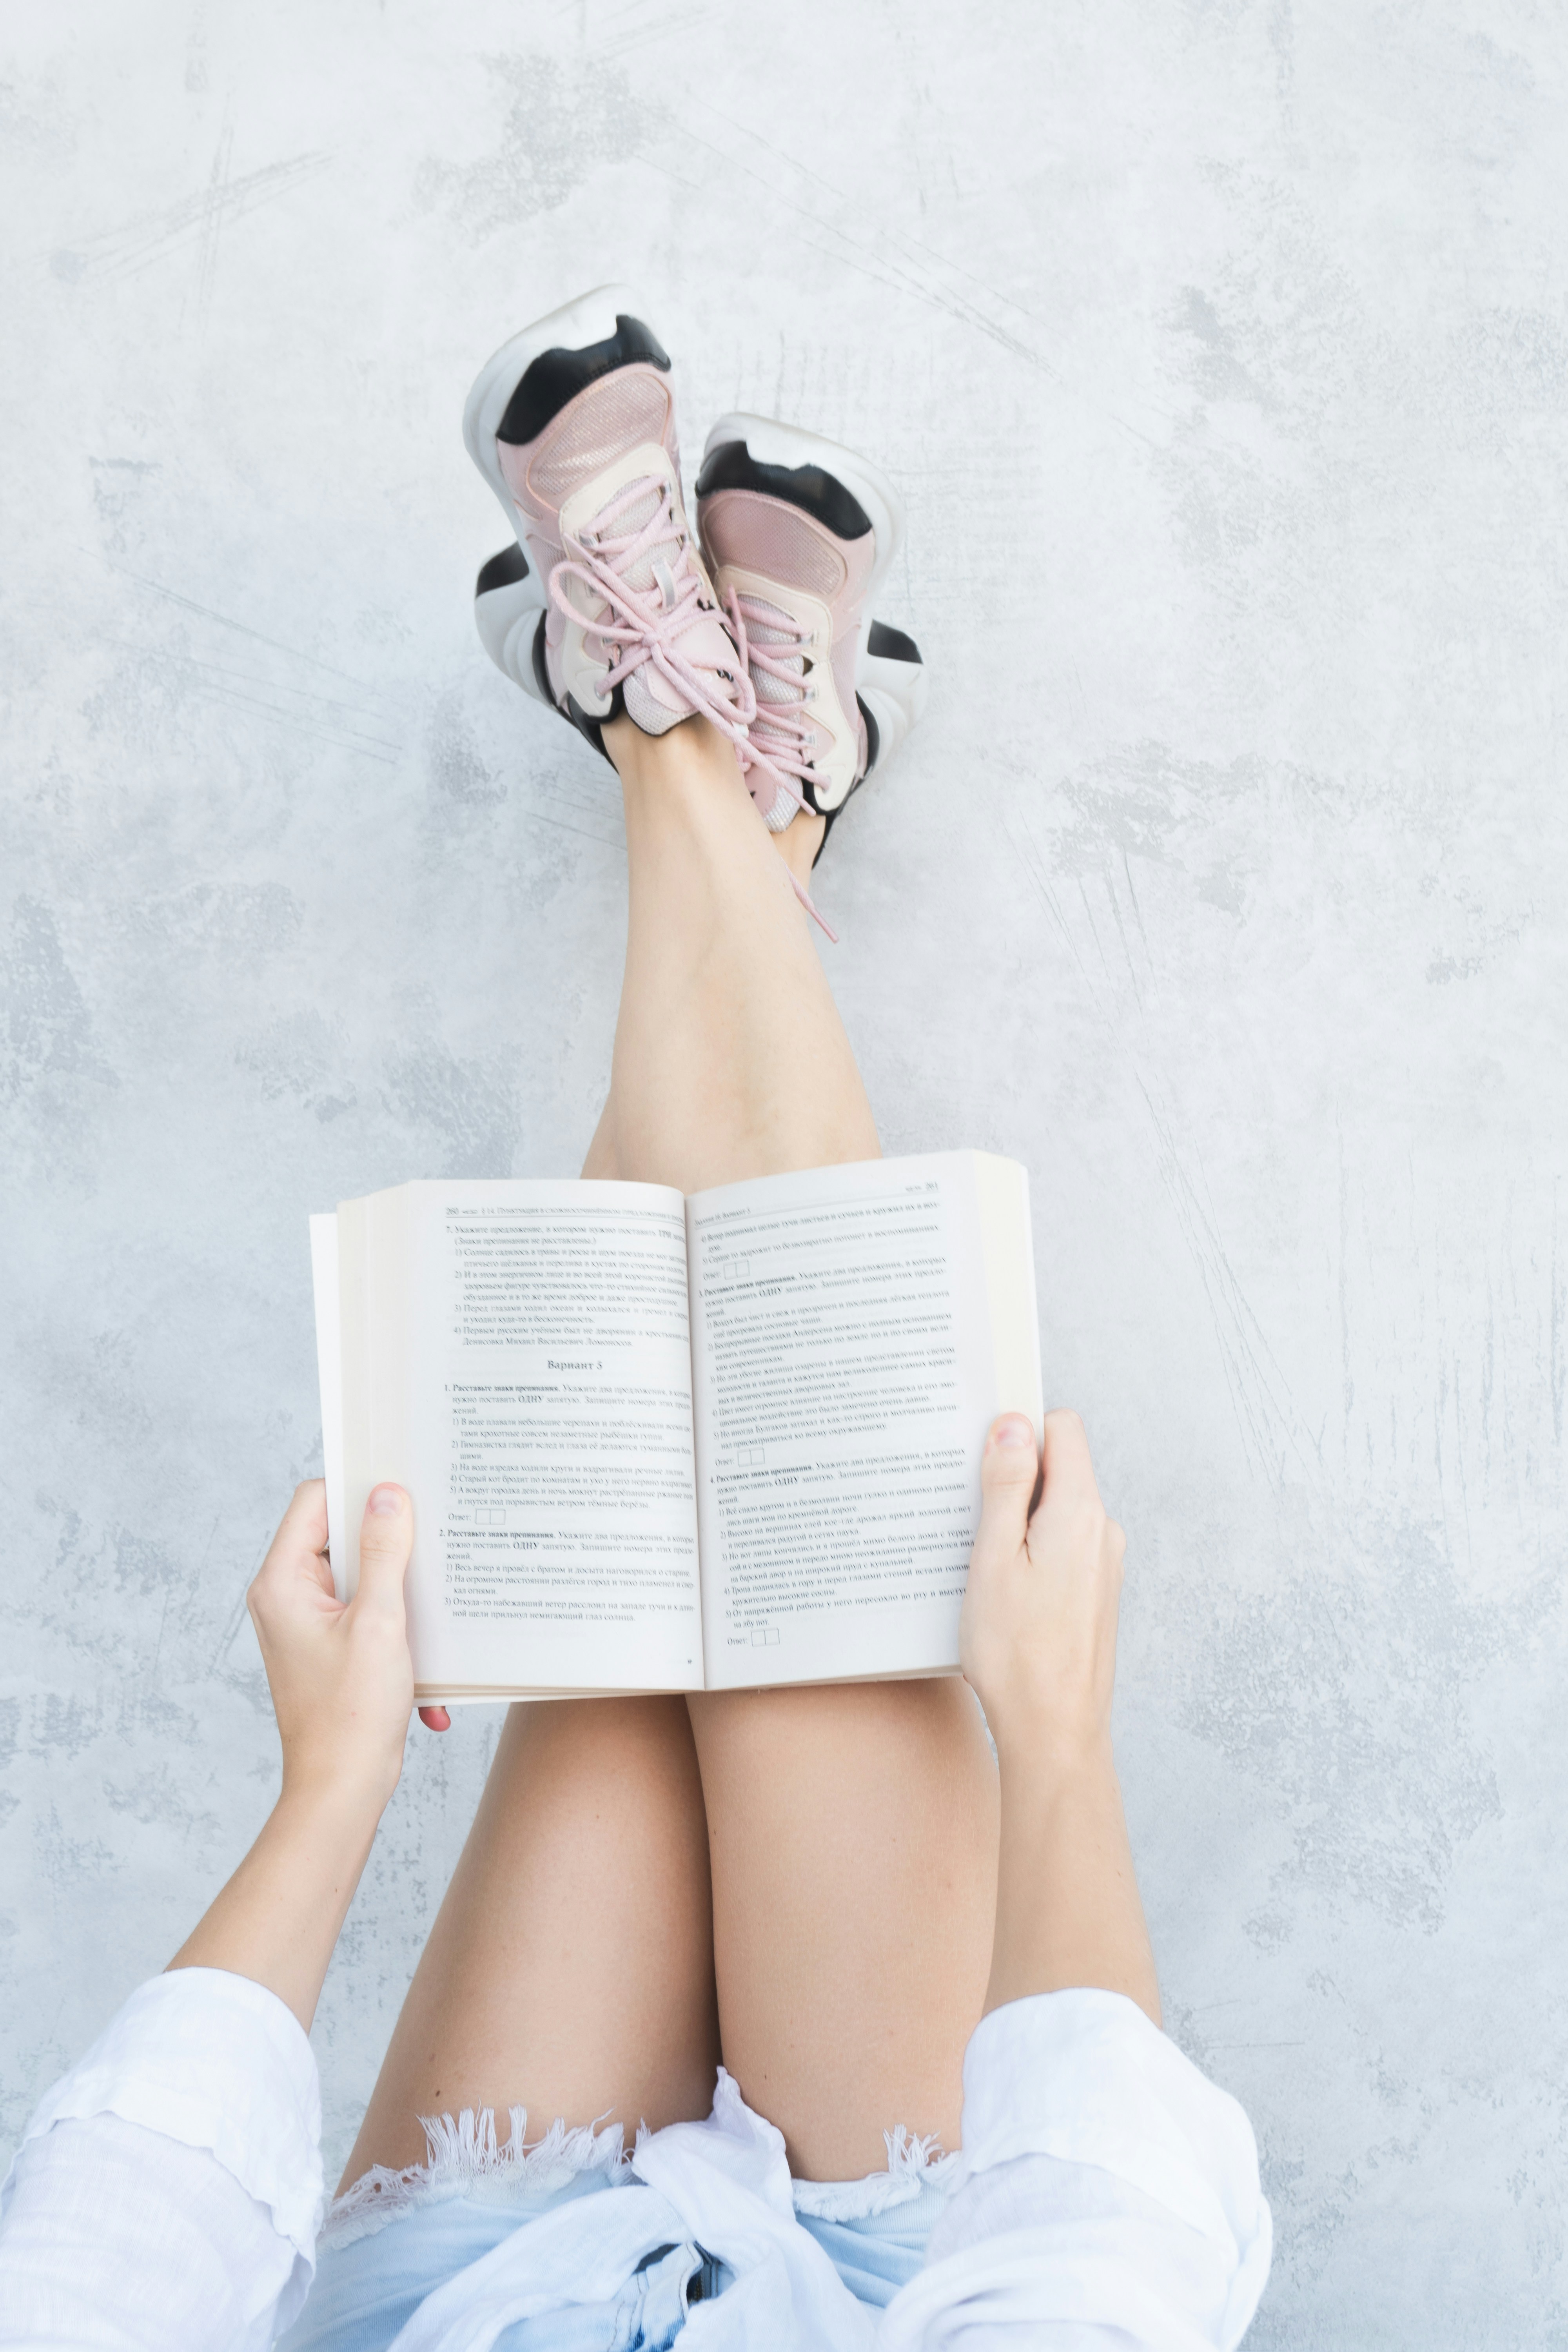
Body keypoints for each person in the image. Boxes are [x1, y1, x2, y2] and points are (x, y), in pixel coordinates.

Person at [0, 289, 1272, 2350]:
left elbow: (115, 2253)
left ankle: (677, 727)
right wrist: (1055, 1741)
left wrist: (330, 1781)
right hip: (900, 2287)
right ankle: (720, 775)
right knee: (805, 1462)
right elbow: (1108, 2252)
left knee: (607, 1496)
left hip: (478, 2306)